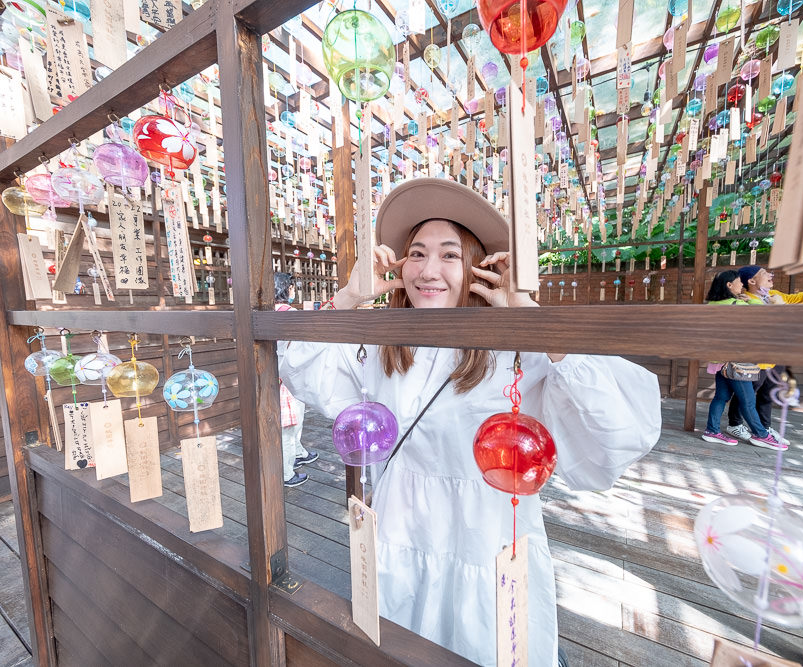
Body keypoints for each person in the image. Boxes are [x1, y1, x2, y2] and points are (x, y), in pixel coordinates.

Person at [280, 178, 662, 666]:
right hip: (401, 523)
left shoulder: (517, 350)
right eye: (416, 253)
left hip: (488, 531)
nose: (428, 270)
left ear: (479, 268)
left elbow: (621, 424)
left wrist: (529, 315)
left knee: (487, 640)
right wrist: (351, 297)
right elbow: (298, 363)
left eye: (449, 255)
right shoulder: (381, 343)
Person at [725, 265, 803, 444]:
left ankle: (764, 427)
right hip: (755, 359)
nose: (771, 276)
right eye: (765, 274)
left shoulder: (776, 296)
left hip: (776, 356)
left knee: (769, 393)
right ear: (751, 281)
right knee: (747, 394)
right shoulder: (743, 300)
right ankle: (734, 424)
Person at [701, 270, 786, 450]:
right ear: (729, 285)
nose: (742, 286)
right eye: (739, 282)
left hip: (719, 360)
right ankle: (761, 435)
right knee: (747, 401)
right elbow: (770, 318)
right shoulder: (738, 304)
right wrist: (774, 303)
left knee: (721, 396)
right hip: (736, 362)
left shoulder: (712, 303)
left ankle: (712, 430)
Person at [274, 272, 318, 488]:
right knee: (289, 429)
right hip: (289, 379)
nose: (293, 291)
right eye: (291, 287)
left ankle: (298, 453)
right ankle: (286, 473)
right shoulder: (290, 313)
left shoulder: (267, 312)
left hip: (271, 379)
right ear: (284, 289)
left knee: (288, 426)